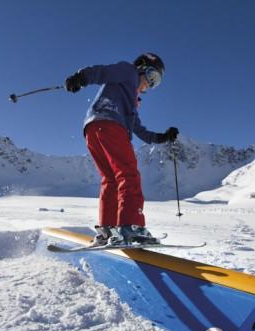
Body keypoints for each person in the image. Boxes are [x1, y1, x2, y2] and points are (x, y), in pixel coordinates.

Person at [65, 52, 179, 246]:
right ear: (142, 67)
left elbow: (138, 129)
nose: (150, 85)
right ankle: (131, 226)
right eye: (152, 77)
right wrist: (82, 77)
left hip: (93, 129)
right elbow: (103, 72)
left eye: (156, 83)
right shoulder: (129, 71)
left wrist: (161, 137)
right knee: (129, 175)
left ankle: (108, 229)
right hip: (111, 126)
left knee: (110, 179)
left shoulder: (130, 99)